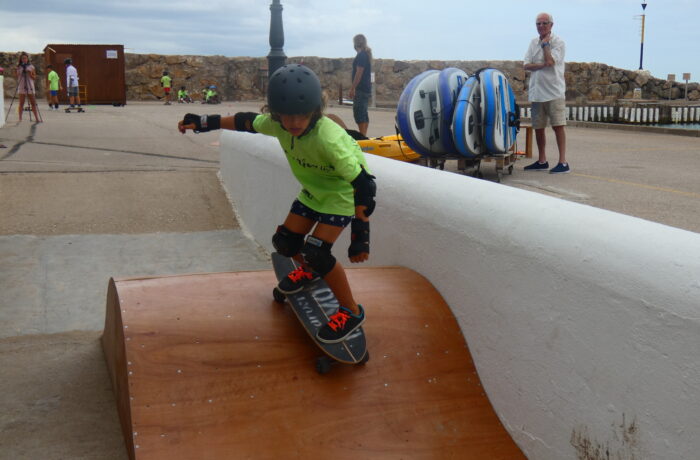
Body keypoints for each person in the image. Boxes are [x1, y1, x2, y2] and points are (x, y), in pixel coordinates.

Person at [178, 64, 376, 344]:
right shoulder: (278, 125)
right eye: (286, 117)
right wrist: (204, 122)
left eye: (302, 116)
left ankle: (351, 311)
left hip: (342, 196)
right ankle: (307, 272)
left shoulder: (328, 138)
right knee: (285, 243)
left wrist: (361, 237)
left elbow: (365, 186)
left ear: (315, 111)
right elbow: (245, 121)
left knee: (317, 254)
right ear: (275, 113)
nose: (294, 124)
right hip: (313, 192)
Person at [523, 12, 569, 174]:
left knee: (558, 126)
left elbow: (550, 61)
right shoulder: (532, 42)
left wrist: (545, 45)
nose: (541, 26)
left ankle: (563, 162)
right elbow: (526, 65)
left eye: (544, 23)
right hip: (537, 92)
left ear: (551, 25)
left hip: (554, 91)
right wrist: (541, 65)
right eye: (538, 24)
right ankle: (542, 160)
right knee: (539, 128)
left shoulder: (559, 43)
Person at [349, 34, 372, 137]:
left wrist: (353, 88)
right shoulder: (364, 55)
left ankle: (362, 138)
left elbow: (359, 73)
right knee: (363, 113)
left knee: (359, 114)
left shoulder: (362, 55)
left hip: (361, 90)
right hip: (365, 89)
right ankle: (364, 136)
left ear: (356, 43)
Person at [16, 52, 41, 122]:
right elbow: (16, 76)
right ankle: (20, 118)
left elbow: (34, 77)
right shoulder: (18, 66)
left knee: (33, 102)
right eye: (23, 58)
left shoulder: (31, 67)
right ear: (20, 59)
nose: (24, 59)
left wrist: (30, 74)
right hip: (21, 85)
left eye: (25, 58)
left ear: (27, 59)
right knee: (21, 103)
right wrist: (19, 71)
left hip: (30, 85)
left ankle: (36, 118)